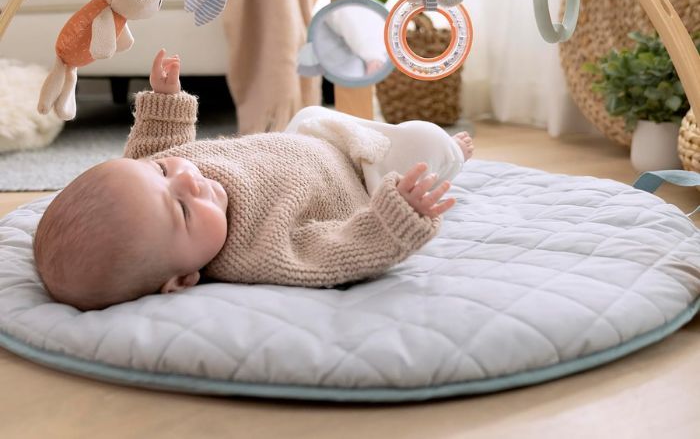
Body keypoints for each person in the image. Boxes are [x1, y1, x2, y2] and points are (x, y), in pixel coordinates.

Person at [33, 49, 475, 311]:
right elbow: (339, 250)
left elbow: (153, 148)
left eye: (162, 173)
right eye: (184, 211)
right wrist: (394, 217)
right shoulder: (258, 253)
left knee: (309, 114)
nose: (186, 177)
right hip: (364, 182)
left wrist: (165, 101)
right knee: (423, 141)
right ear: (184, 279)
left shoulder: (160, 175)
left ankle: (378, 138)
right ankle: (452, 153)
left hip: (308, 141)